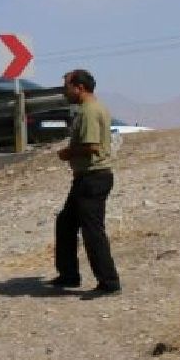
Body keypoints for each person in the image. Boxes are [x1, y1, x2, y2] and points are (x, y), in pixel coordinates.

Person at [50, 68, 121, 297]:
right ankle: (69, 275)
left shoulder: (89, 111)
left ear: (79, 88)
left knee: (93, 231)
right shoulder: (92, 108)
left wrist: (68, 153)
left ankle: (109, 282)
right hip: (87, 177)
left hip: (93, 176)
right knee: (66, 223)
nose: (64, 92)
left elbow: (91, 146)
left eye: (67, 87)